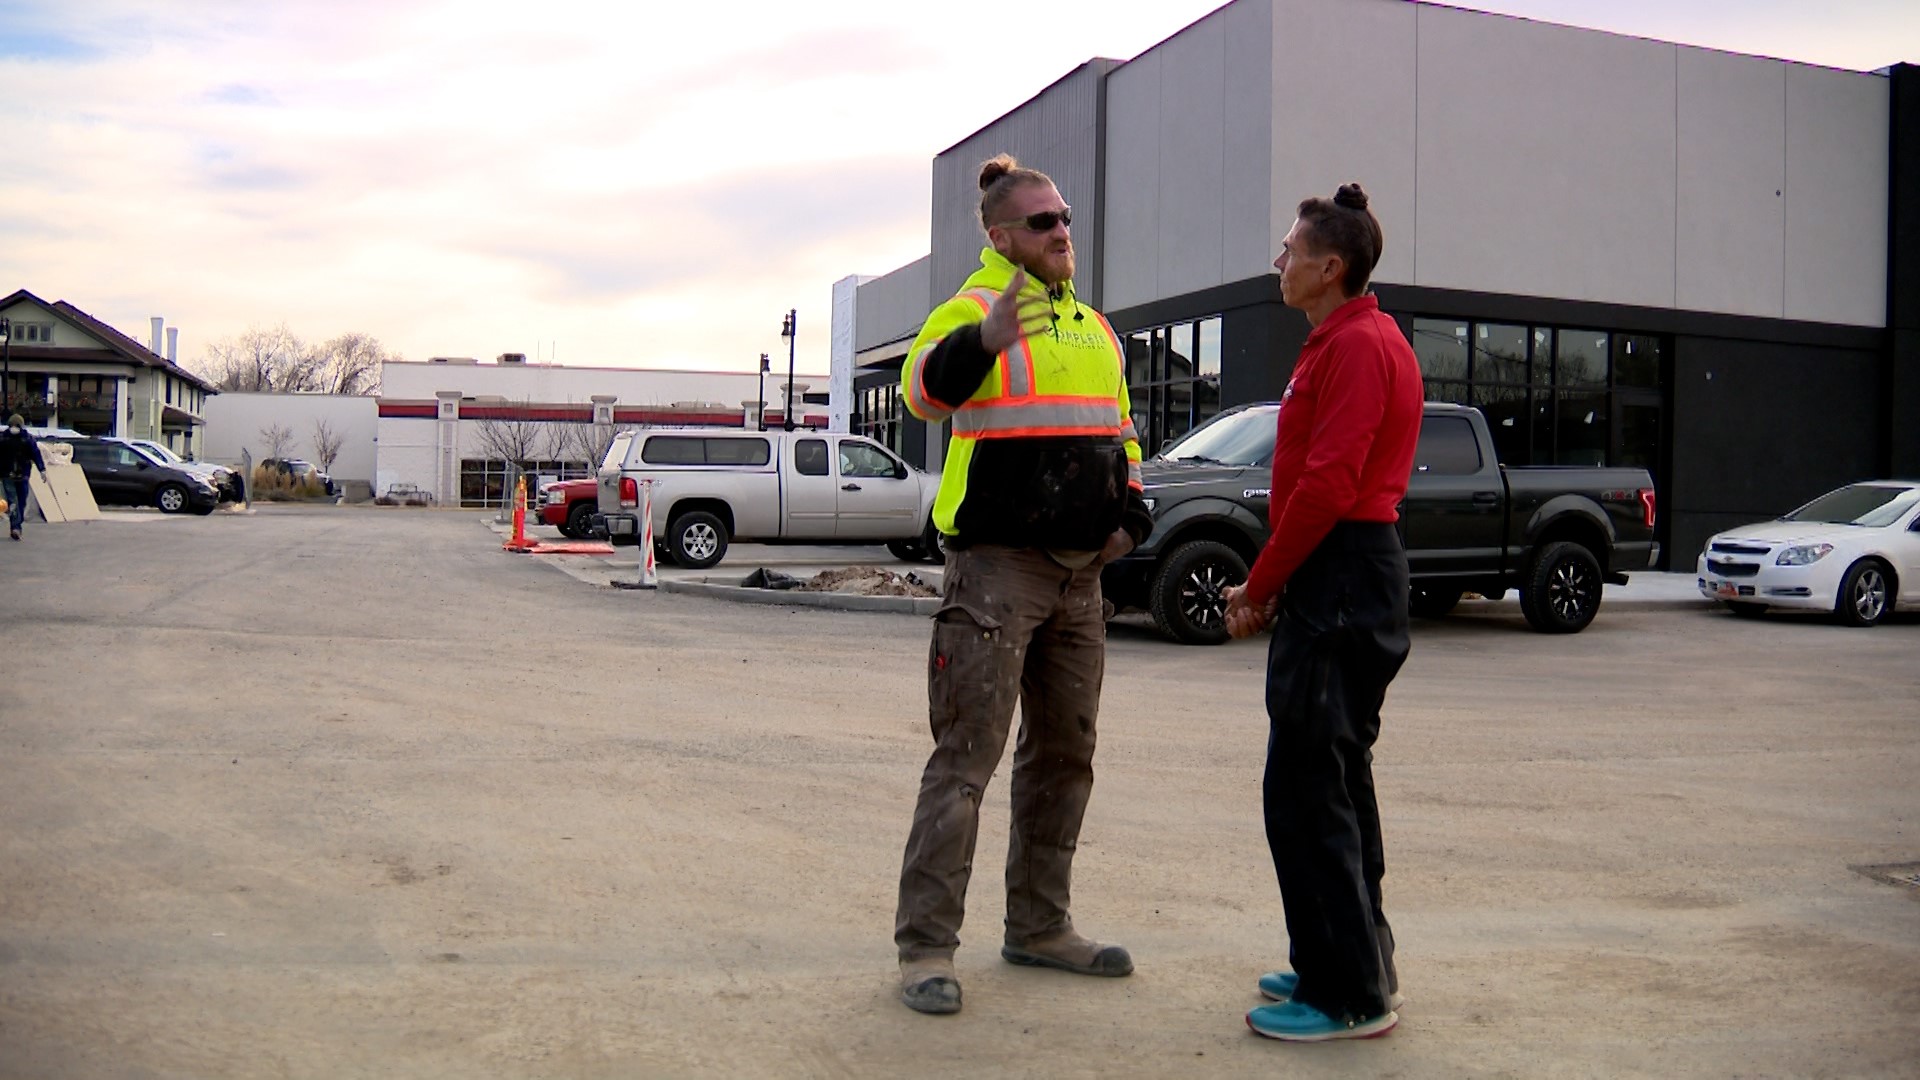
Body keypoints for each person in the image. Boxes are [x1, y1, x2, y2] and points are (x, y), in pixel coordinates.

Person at [892, 154, 1153, 1015]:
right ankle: (927, 949)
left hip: (1083, 577)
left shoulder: (1097, 330)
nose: (1062, 232)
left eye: (1066, 217)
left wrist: (1131, 518)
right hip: (997, 570)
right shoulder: (968, 312)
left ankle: (1040, 926)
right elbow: (923, 396)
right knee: (966, 761)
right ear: (1003, 237)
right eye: (1043, 222)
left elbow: (1121, 436)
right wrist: (983, 343)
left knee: (1065, 759)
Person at [1222, 183, 1423, 1042]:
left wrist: (1259, 584)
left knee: (1308, 789)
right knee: (1331, 780)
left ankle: (1348, 996)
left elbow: (1328, 485)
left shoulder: (1357, 347)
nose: (1279, 262)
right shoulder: (1344, 339)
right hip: (1345, 575)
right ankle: (1344, 960)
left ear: (1328, 266)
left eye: (1290, 250)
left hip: (1343, 573)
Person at [1, 414, 48, 541]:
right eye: (12, 426)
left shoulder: (27, 439)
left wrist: (42, 469)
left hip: (23, 475)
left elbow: (36, 454)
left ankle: (16, 525)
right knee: (13, 501)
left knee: (21, 501)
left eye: (16, 426)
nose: (14, 428)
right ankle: (16, 527)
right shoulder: (3, 438)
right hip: (7, 474)